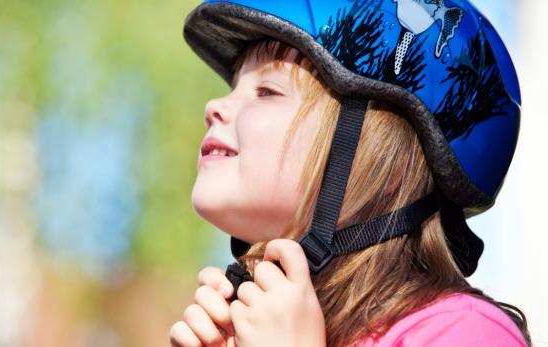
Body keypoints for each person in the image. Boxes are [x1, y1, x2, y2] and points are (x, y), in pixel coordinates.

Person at [171, 0, 530, 346]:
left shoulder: (463, 332)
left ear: (388, 165)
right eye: (234, 87)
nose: (213, 106)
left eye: (267, 91)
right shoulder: (252, 326)